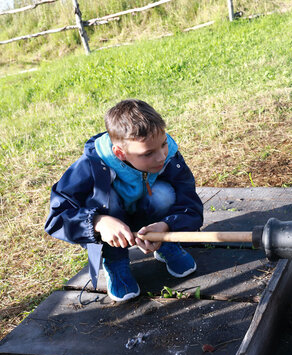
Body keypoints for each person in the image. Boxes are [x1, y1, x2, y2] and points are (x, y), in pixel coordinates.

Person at [45, 99, 203, 302]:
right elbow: (57, 217)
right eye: (148, 153)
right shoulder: (89, 165)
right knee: (106, 199)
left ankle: (164, 244)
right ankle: (115, 259)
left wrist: (166, 226)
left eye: (163, 144)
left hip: (151, 220)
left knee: (164, 193)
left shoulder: (169, 155)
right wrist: (98, 222)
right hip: (113, 227)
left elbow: (190, 203)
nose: (161, 156)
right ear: (120, 153)